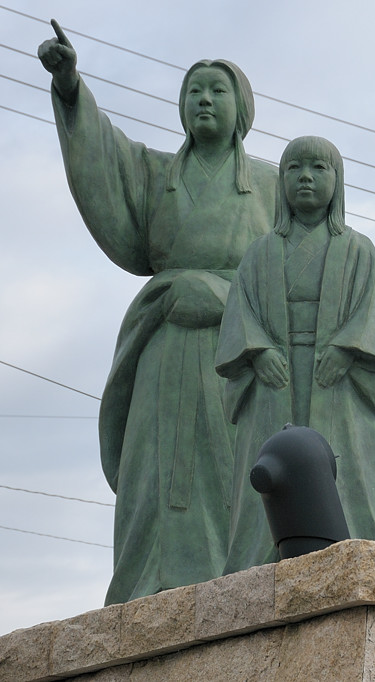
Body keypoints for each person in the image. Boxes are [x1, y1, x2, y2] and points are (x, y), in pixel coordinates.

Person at [38, 21, 277, 603]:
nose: (203, 99)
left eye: (217, 89)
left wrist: (220, 298)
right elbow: (104, 152)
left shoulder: (271, 185)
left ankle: (232, 586)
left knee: (228, 470)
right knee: (150, 475)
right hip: (162, 343)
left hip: (234, 355)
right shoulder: (156, 175)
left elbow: (289, 277)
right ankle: (145, 591)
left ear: (241, 106)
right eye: (194, 89)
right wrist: (71, 86)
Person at [216, 136, 375, 572]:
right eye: (294, 169)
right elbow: (241, 314)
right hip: (272, 377)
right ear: (280, 182)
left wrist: (346, 348)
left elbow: (374, 316)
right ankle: (255, 561)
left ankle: (365, 557)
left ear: (337, 181)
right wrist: (258, 353)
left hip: (339, 378)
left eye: (319, 168)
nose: (305, 177)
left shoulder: (359, 249)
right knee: (268, 469)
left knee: (349, 474)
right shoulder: (261, 252)